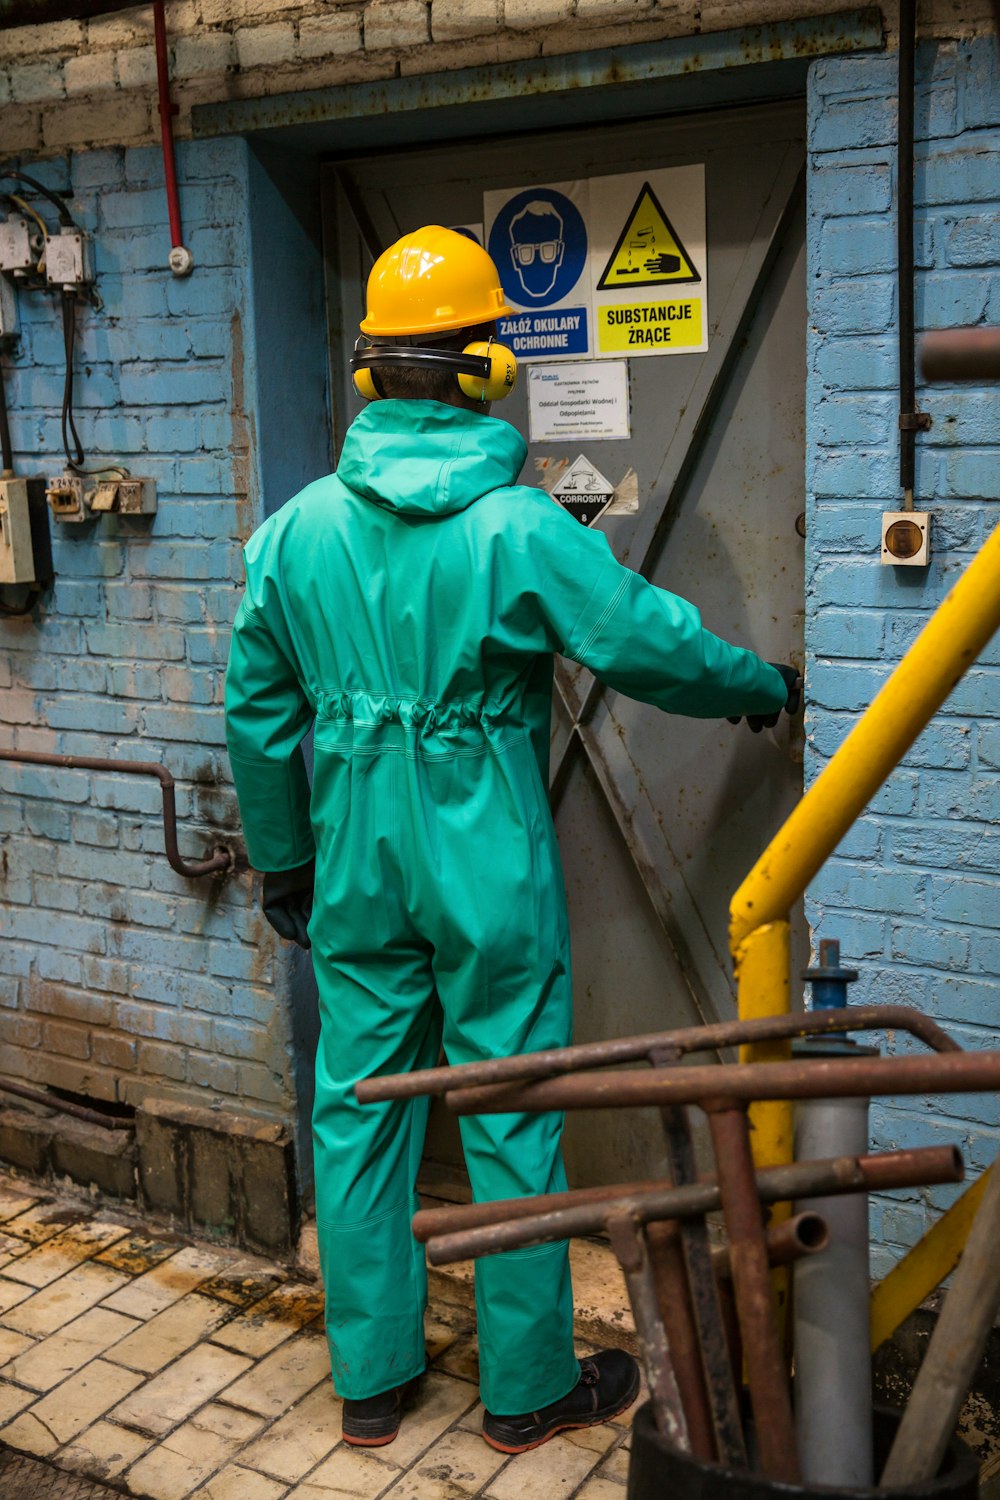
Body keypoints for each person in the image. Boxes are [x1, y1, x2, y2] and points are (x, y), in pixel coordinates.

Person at [224, 226, 799, 1456]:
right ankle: (526, 1388)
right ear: (485, 368)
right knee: (508, 1100)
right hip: (481, 844)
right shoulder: (518, 529)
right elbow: (642, 641)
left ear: (373, 370)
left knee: (361, 1104)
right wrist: (758, 681)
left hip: (353, 848)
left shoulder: (293, 533)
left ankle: (371, 1382)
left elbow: (259, 719)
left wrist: (283, 858)